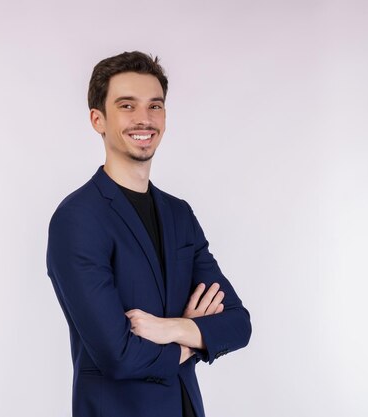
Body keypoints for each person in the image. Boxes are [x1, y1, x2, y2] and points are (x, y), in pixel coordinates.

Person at [46, 51, 252, 417]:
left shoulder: (179, 214)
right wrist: (192, 338)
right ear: (98, 119)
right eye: (127, 105)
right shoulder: (77, 219)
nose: (144, 119)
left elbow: (238, 323)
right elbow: (118, 356)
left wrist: (169, 327)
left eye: (154, 106)